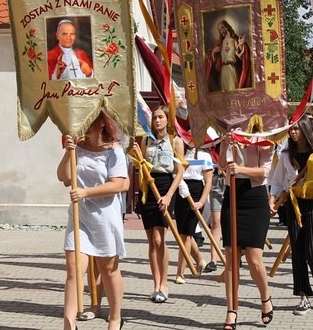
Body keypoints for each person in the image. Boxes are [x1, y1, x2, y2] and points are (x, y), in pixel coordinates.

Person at [57, 109, 128, 330]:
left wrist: (86, 192)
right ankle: (68, 325)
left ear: (101, 124)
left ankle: (115, 317)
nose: (84, 126)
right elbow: (64, 177)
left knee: (108, 268)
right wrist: (69, 151)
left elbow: (120, 184)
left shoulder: (114, 151)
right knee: (74, 267)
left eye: (89, 121)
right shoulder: (78, 148)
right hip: (80, 215)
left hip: (105, 216)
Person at [269, 115, 313, 315]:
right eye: (291, 129)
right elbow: (277, 181)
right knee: (298, 251)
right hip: (292, 204)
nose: (293, 132)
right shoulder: (286, 153)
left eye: (296, 129)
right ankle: (303, 295)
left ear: (305, 128)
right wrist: (272, 199)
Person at [220, 129, 273, 330]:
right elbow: (222, 165)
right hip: (232, 196)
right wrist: (225, 143)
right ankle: (231, 311)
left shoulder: (264, 137)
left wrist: (240, 169)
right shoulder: (230, 135)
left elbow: (264, 171)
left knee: (254, 259)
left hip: (254, 198)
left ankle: (265, 297)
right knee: (232, 258)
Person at [132, 105, 184, 303]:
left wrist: (170, 195)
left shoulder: (175, 141)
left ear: (167, 119)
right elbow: (142, 165)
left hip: (165, 187)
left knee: (159, 238)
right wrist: (138, 157)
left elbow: (179, 171)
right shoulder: (146, 140)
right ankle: (156, 284)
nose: (158, 121)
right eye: (155, 117)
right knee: (151, 241)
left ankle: (165, 283)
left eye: (161, 117)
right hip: (149, 189)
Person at [173, 144, 214, 283]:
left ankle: (181, 272)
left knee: (185, 235)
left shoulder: (204, 155)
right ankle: (199, 260)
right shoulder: (178, 151)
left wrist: (201, 202)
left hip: (196, 192)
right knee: (185, 234)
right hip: (180, 191)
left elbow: (208, 181)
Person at [206, 20, 252, 93]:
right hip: (223, 70)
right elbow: (213, 60)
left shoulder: (234, 40)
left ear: (227, 27)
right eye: (219, 30)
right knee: (224, 93)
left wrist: (241, 46)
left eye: (222, 28)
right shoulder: (220, 43)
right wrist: (214, 52)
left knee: (233, 90)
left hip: (231, 69)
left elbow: (241, 56)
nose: (221, 31)